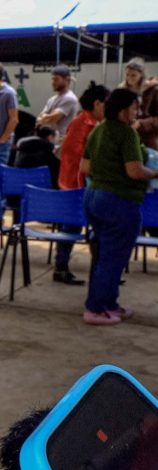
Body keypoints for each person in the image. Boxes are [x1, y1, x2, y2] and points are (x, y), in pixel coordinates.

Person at [80, 88, 158, 325]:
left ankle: (109, 304)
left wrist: (108, 172)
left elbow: (85, 168)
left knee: (106, 254)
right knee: (113, 258)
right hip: (119, 201)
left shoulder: (98, 130)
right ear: (124, 111)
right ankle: (94, 309)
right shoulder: (126, 133)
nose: (139, 110)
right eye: (135, 106)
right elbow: (134, 171)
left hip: (94, 197)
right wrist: (155, 172)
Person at [53, 82, 108, 286]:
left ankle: (102, 271)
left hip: (84, 184)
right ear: (97, 103)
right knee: (71, 227)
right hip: (76, 185)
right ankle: (61, 268)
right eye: (106, 104)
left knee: (95, 228)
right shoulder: (81, 122)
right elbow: (73, 153)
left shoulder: (93, 123)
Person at [35, 65, 79, 139]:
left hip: (62, 141)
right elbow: (38, 118)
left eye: (57, 79)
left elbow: (52, 120)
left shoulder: (69, 98)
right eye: (53, 79)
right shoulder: (51, 99)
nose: (53, 82)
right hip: (50, 140)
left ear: (67, 80)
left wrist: (45, 117)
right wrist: (44, 118)